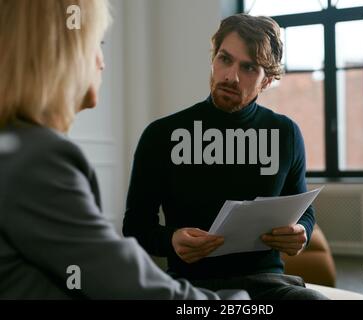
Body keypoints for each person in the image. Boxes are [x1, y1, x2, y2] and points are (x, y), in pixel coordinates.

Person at [0, 0, 249, 300]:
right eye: (98, 43)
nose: (102, 61)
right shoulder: (37, 159)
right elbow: (127, 288)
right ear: (60, 54)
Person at [123, 13, 327, 300]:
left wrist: (300, 232)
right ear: (213, 59)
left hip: (266, 283)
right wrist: (170, 240)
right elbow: (135, 228)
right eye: (225, 59)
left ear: (266, 80)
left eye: (248, 67)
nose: (231, 76)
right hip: (190, 285)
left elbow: (303, 210)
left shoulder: (286, 133)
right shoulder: (161, 135)